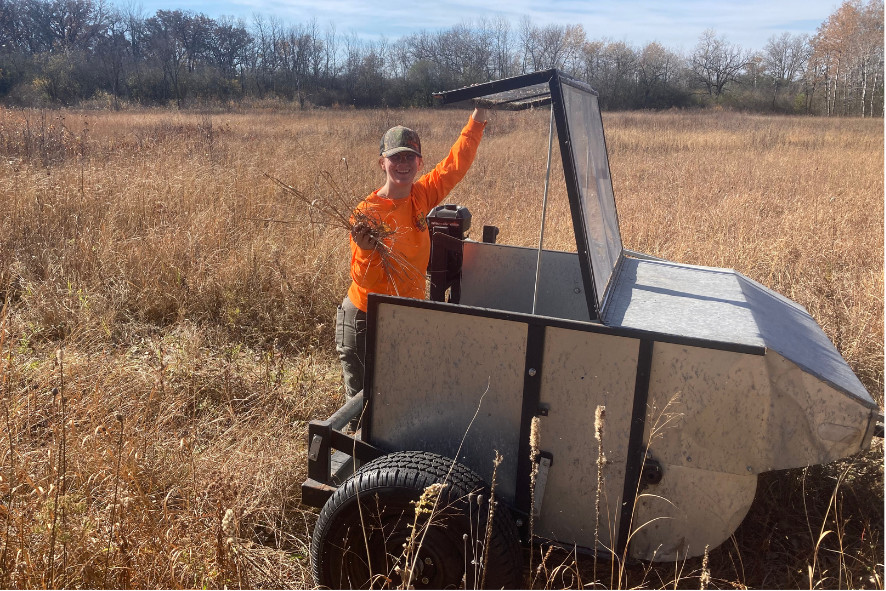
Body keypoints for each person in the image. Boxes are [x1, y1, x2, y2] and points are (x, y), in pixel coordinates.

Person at [335, 107, 489, 401]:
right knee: (364, 411)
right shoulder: (367, 213)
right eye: (395, 157)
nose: (402, 163)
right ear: (382, 163)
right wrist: (366, 251)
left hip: (404, 315)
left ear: (420, 162)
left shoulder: (421, 196)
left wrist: (478, 119)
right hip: (366, 320)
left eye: (409, 156)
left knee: (398, 400)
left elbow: (454, 166)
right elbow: (364, 280)